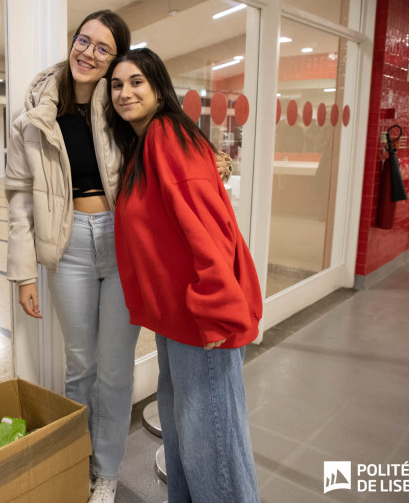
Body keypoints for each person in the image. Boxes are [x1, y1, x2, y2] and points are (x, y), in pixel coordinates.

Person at [108, 48, 262, 503]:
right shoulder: (145, 144)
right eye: (117, 85)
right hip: (177, 317)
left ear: (159, 87)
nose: (125, 92)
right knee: (184, 436)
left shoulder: (166, 135)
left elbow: (207, 224)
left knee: (213, 447)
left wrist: (216, 307)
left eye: (137, 81)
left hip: (201, 317)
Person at [5, 10, 137, 503]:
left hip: (124, 244)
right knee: (80, 364)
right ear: (72, 41)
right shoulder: (37, 112)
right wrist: (23, 274)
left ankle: (106, 472)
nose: (90, 53)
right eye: (85, 40)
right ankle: (76, 458)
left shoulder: (121, 107)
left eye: (104, 48)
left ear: (114, 58)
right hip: (70, 245)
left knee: (116, 369)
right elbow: (20, 196)